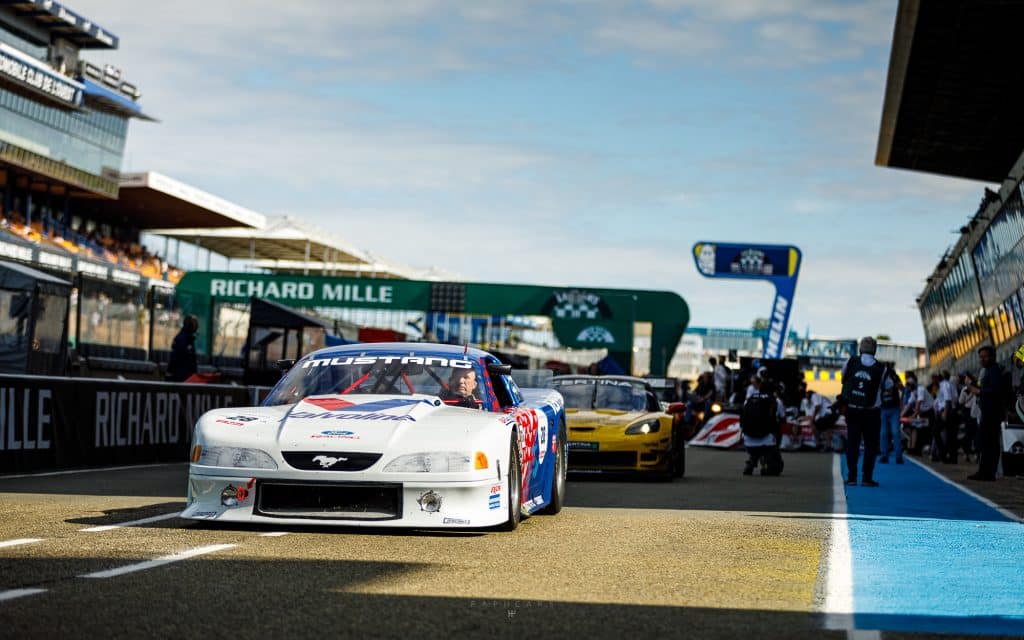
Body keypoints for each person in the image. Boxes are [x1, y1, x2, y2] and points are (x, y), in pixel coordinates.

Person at [841, 337, 887, 487]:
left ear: (860, 348)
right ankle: (867, 478)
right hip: (871, 412)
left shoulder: (851, 361)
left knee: (852, 444)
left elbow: (843, 378)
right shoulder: (882, 368)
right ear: (875, 350)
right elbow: (888, 386)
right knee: (870, 446)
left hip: (852, 409)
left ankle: (852, 477)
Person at [966, 346, 1012, 481]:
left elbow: (996, 392)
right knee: (985, 442)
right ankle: (984, 471)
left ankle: (988, 473)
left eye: (985, 356)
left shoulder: (995, 371)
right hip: (987, 410)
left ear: (992, 356)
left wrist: (979, 391)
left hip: (993, 411)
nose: (982, 359)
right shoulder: (989, 371)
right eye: (981, 357)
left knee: (989, 443)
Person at [740, 373, 784, 476]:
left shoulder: (749, 399)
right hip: (766, 439)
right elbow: (782, 419)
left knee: (756, 447)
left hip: (748, 439)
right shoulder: (776, 401)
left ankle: (751, 462)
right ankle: (767, 464)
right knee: (776, 466)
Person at [878, 367, 904, 464]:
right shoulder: (880, 378)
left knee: (895, 432)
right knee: (883, 433)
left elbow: (902, 388)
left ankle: (898, 456)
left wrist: (901, 403)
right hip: (883, 408)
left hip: (894, 409)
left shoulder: (894, 377)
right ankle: (884, 455)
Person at [934, 370, 959, 463]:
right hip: (950, 411)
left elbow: (948, 399)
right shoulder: (950, 384)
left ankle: (943, 454)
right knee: (951, 434)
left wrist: (944, 413)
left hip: (946, 411)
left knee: (936, 431)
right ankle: (952, 457)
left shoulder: (944, 385)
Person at [166, 314, 199, 382]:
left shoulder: (189, 339)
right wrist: (170, 373)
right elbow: (174, 357)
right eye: (194, 324)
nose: (196, 327)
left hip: (188, 376)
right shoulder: (182, 339)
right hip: (181, 377)